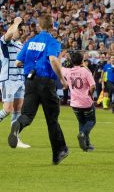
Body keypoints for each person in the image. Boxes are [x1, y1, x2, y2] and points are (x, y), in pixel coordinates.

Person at [9, 14, 69, 165]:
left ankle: (18, 125)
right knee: (52, 119)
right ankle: (58, 152)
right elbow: (53, 60)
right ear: (52, 27)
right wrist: (62, 79)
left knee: (27, 114)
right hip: (45, 82)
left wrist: (31, 66)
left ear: (39, 26)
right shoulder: (53, 42)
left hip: (30, 81)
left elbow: (17, 62)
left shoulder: (30, 42)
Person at [0, 17, 30, 148]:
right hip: (8, 80)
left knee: (18, 110)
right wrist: (16, 22)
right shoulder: (4, 41)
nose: (21, 32)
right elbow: (8, 34)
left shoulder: (21, 45)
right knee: (7, 109)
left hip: (20, 80)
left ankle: (15, 138)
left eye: (22, 31)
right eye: (19, 30)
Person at [62, 52, 96, 152]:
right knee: (91, 121)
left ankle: (86, 145)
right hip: (86, 102)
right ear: (82, 61)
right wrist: (90, 94)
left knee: (81, 122)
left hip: (74, 103)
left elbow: (59, 68)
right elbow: (93, 85)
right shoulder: (86, 71)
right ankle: (83, 135)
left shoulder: (68, 71)